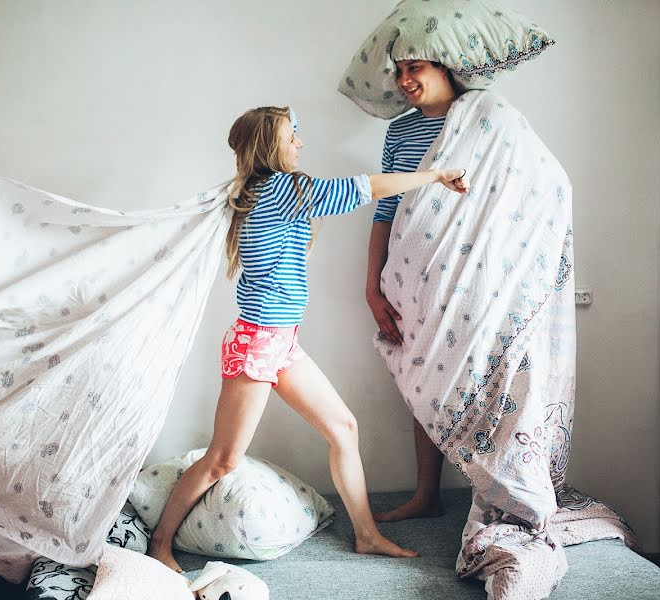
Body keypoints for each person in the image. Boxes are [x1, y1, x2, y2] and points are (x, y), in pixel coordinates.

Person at [148, 105, 469, 572]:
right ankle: (160, 543)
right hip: (258, 343)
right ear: (269, 145)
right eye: (291, 135)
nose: (299, 143)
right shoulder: (281, 188)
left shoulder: (263, 191)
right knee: (223, 459)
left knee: (344, 428)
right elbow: (364, 188)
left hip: (280, 342)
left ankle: (366, 535)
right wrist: (436, 174)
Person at [365, 59, 460, 522]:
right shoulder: (400, 131)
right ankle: (427, 495)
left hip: (471, 273)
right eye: (398, 70)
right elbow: (384, 211)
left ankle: (497, 496)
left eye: (415, 67)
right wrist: (372, 286)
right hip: (412, 274)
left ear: (445, 66)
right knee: (422, 379)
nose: (404, 80)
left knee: (483, 378)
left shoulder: (482, 120)